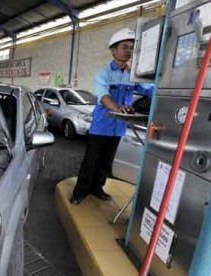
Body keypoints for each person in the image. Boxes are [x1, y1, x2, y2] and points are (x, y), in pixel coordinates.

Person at [70, 28, 153, 205]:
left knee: (106, 162)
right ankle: (80, 191)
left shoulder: (133, 76)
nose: (128, 51)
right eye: (124, 47)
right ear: (113, 50)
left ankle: (97, 188)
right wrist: (118, 108)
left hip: (118, 128)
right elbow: (104, 96)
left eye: (131, 47)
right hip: (101, 126)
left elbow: (149, 89)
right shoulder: (103, 73)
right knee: (90, 161)